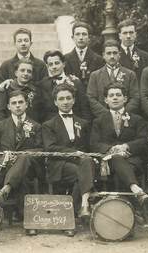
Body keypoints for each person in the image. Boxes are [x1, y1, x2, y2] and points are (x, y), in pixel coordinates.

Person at [42, 84, 95, 236]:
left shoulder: (83, 123)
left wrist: (82, 155)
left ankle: (72, 215)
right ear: (55, 102)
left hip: (81, 165)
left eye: (68, 98)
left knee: (83, 170)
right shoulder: (48, 125)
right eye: (61, 99)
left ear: (74, 100)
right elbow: (50, 148)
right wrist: (74, 153)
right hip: (59, 165)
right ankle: (83, 205)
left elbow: (87, 147)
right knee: (84, 170)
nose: (65, 102)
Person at [90, 84, 148, 204]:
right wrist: (112, 149)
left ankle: (122, 209)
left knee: (119, 170)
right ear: (106, 100)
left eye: (118, 95)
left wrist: (126, 146)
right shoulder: (99, 121)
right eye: (111, 95)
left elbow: (143, 140)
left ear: (125, 98)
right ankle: (135, 190)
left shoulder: (137, 119)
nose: (115, 98)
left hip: (131, 160)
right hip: (107, 162)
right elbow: (94, 143)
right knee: (116, 159)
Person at [0, 90, 43, 236]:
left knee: (25, 158)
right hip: (6, 168)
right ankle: (29, 221)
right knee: (22, 179)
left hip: (31, 167)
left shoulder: (36, 126)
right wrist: (2, 159)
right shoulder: (1, 126)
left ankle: (6, 189)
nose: (18, 106)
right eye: (14, 103)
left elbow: (41, 149)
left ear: (26, 104)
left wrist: (24, 155)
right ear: (8, 106)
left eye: (20, 102)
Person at [0, 28, 48, 106]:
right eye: (19, 41)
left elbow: (45, 88)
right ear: (15, 43)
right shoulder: (6, 65)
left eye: (26, 40)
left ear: (31, 43)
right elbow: (0, 90)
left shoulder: (40, 65)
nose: (23, 43)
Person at [87, 40, 140, 118]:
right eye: (108, 53)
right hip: (103, 118)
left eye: (115, 53)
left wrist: (123, 113)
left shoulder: (130, 74)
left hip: (125, 117)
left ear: (119, 55)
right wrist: (107, 115)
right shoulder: (95, 75)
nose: (112, 56)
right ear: (103, 55)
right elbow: (91, 98)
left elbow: (135, 97)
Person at [38, 50, 91, 123]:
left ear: (63, 64)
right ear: (47, 66)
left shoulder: (75, 82)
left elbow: (84, 108)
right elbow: (42, 111)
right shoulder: (43, 84)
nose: (54, 67)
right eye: (51, 64)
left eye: (57, 63)